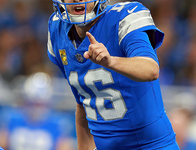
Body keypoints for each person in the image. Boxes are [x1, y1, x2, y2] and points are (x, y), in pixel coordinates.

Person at [47, 0, 179, 149]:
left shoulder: (125, 16)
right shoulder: (56, 29)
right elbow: (83, 102)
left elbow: (151, 69)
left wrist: (111, 62)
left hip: (152, 146)